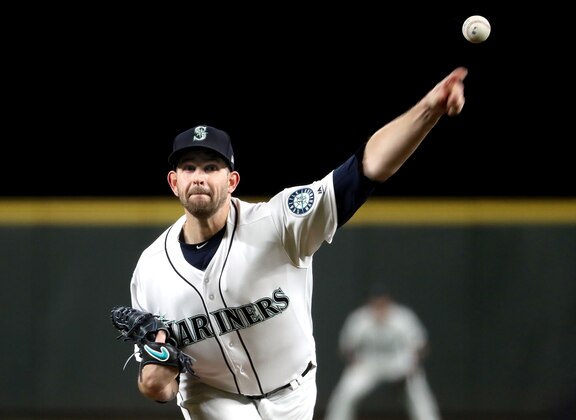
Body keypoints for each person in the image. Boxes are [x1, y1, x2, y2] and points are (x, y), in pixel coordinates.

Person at [125, 66, 467, 420]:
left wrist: (429, 109)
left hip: (293, 390)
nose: (199, 177)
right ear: (174, 182)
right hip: (212, 395)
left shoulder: (278, 222)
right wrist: (156, 368)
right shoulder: (151, 270)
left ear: (231, 181)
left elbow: (366, 168)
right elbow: (158, 387)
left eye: (211, 167)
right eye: (189, 168)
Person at [324, 285, 441, 420]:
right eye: (376, 302)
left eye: (383, 302)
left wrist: (413, 364)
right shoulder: (360, 318)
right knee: (345, 393)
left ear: (389, 301)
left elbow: (421, 345)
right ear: (370, 302)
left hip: (399, 363)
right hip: (368, 364)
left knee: (418, 394)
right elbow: (345, 347)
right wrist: (353, 361)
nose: (379, 305)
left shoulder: (402, 317)